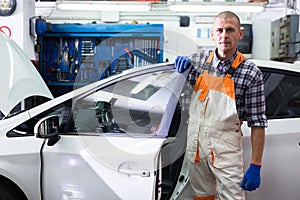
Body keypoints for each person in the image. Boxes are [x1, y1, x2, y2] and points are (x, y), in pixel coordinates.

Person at [175, 11, 267, 200]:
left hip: (226, 155)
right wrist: (180, 67)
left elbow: (258, 123)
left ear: (239, 34)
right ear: (212, 34)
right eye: (220, 30)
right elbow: (185, 102)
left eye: (230, 30)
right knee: (201, 197)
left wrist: (256, 165)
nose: (224, 35)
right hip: (196, 151)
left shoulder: (251, 73)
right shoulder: (197, 62)